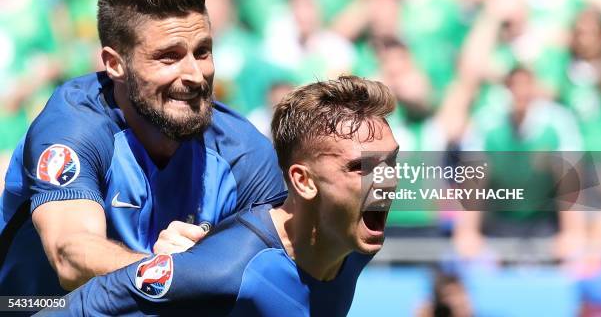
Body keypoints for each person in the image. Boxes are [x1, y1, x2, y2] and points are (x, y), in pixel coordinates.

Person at [0, 0, 285, 296]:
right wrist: (169, 269)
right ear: (115, 64)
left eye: (203, 51)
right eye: (169, 56)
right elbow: (70, 256)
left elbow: (280, 273)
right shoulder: (73, 128)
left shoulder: (244, 152)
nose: (195, 74)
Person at [40, 76, 400, 316]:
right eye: (359, 168)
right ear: (304, 182)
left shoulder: (352, 241)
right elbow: (79, 306)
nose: (385, 180)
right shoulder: (225, 268)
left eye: (391, 161)